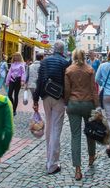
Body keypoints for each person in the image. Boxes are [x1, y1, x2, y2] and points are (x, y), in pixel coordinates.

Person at [33, 40, 70, 175]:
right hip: (58, 98)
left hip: (45, 97)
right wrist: (68, 99)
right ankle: (53, 164)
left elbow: (39, 81)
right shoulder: (65, 63)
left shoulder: (44, 62)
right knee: (56, 129)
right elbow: (67, 83)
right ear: (62, 50)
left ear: (53, 49)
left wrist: (35, 99)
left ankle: (48, 159)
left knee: (49, 127)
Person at [65, 49, 99, 181]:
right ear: (84, 57)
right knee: (90, 132)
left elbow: (67, 90)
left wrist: (66, 102)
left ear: (73, 56)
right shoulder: (90, 70)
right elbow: (93, 89)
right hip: (88, 103)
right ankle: (91, 156)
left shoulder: (69, 70)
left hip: (73, 104)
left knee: (75, 135)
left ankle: (77, 169)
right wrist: (97, 106)